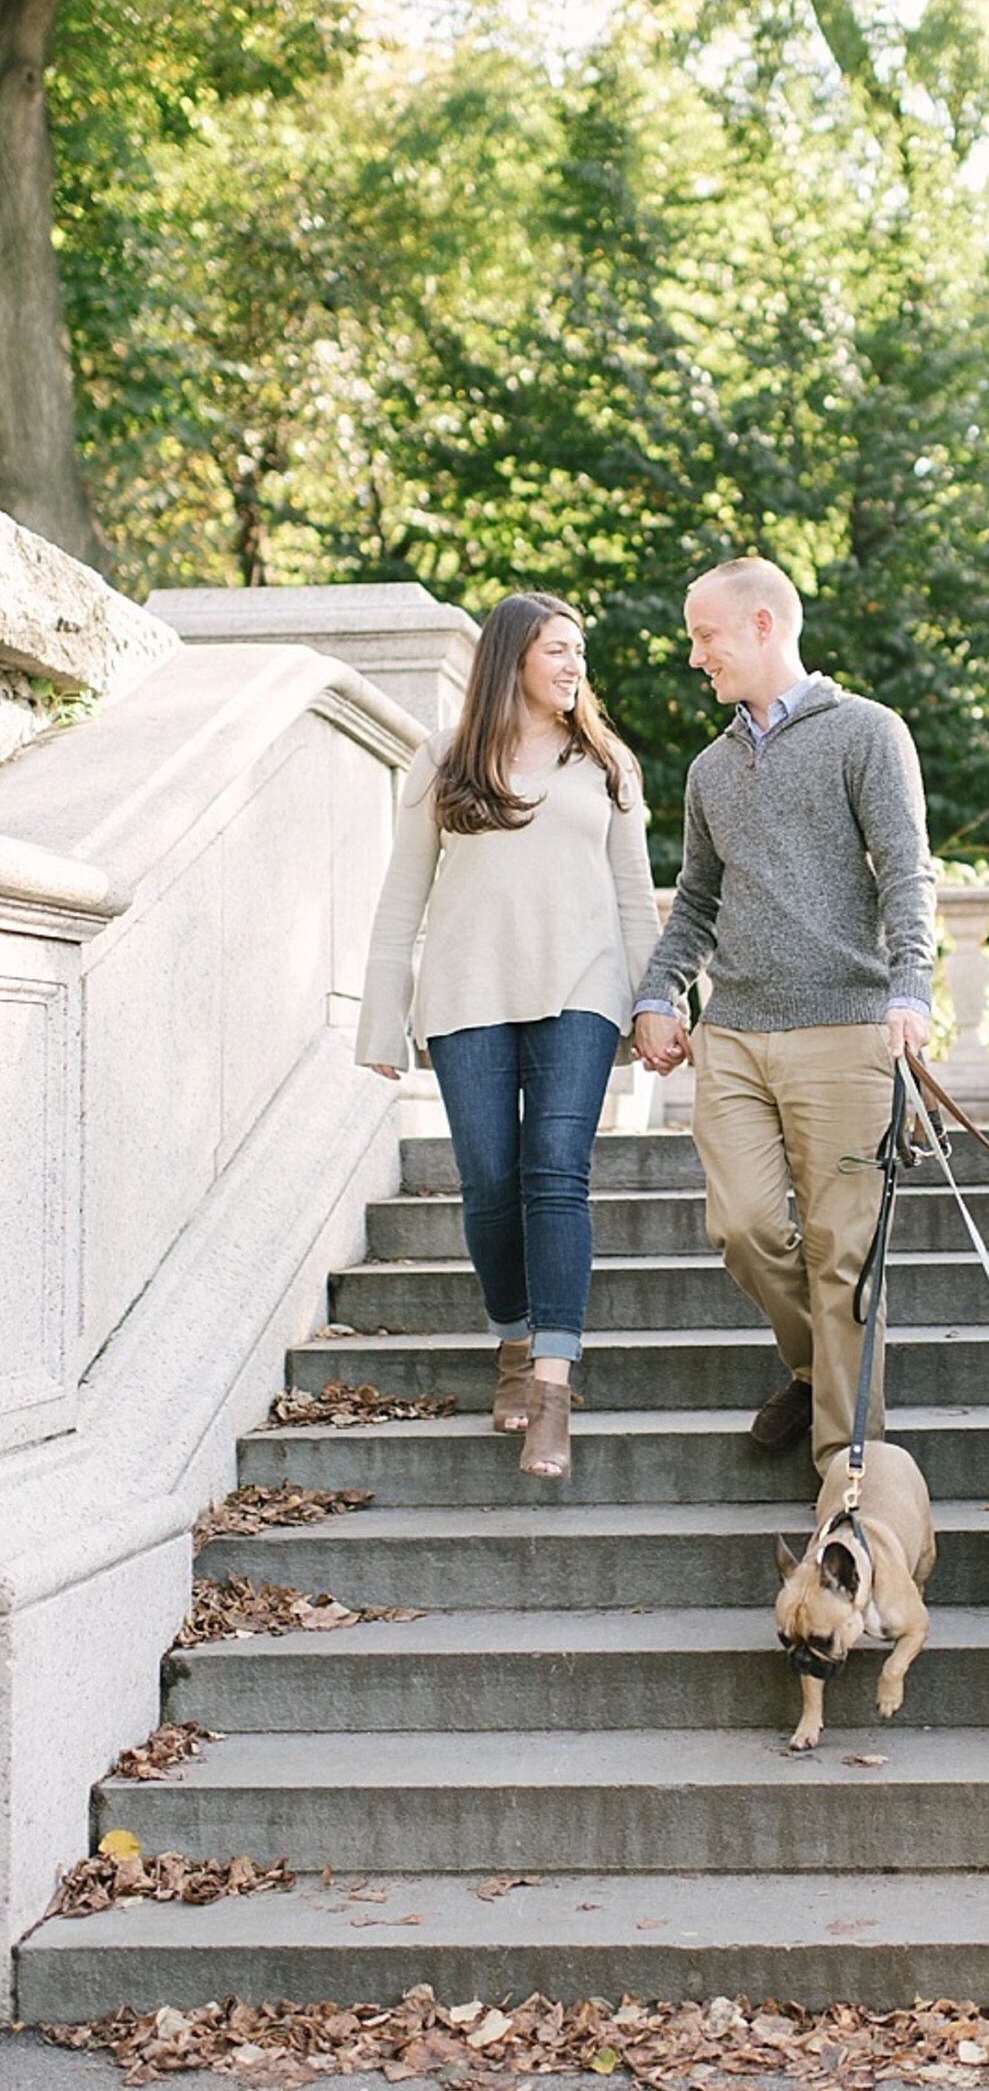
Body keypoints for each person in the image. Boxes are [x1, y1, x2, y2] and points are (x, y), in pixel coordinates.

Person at [632, 556, 937, 1475]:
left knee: (843, 1254)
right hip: (735, 1037)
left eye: (705, 635)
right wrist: (660, 991)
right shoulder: (708, 772)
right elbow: (694, 901)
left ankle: (845, 1481)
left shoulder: (868, 735)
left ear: (764, 625)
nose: (696, 656)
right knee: (746, 1230)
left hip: (845, 1031)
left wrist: (910, 988)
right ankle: (819, 1369)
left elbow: (908, 870)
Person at [356, 592, 661, 1480]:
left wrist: (656, 1005)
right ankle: (513, 1345)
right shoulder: (445, 760)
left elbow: (636, 903)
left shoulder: (606, 762)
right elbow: (397, 904)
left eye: (579, 653)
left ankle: (552, 1390)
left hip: (581, 991)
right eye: (558, 651)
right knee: (490, 1183)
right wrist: (382, 1018)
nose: (574, 667)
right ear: (511, 660)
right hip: (467, 996)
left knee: (555, 1173)